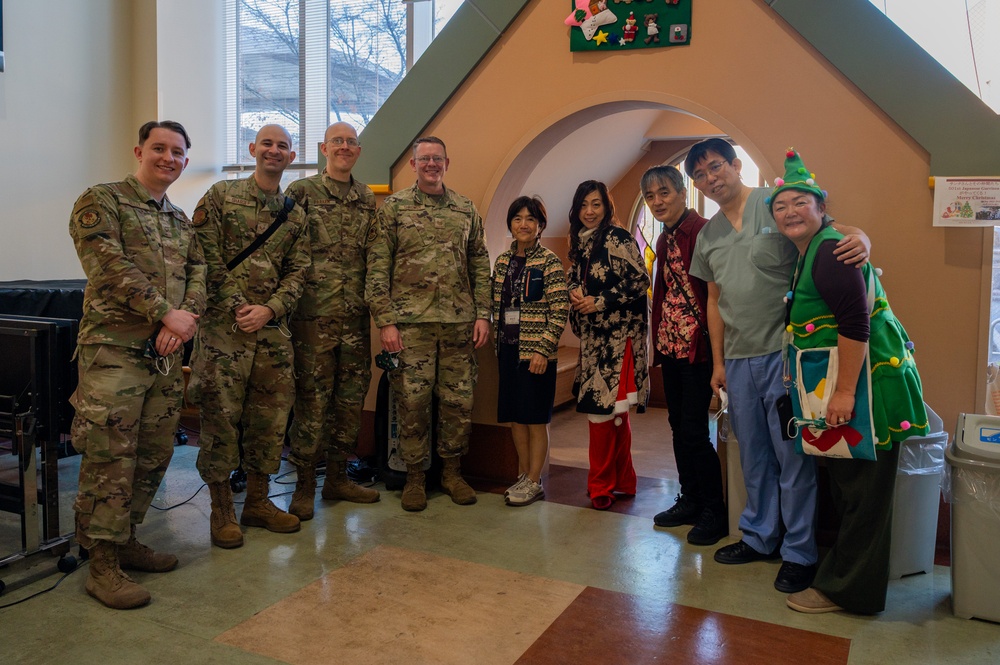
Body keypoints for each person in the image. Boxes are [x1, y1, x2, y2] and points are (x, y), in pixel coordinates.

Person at [686, 138, 869, 595]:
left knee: (794, 458)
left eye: (716, 167)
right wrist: (718, 362)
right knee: (752, 455)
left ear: (735, 165)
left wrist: (862, 238)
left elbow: (826, 229)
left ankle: (800, 552)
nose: (711, 179)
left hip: (788, 357)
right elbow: (714, 301)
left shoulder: (775, 202)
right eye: (700, 175)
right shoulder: (708, 235)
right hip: (739, 361)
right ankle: (759, 537)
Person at [770, 149, 927, 614]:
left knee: (863, 495)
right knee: (852, 488)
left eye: (801, 203)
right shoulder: (815, 249)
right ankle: (845, 579)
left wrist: (842, 393)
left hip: (866, 393)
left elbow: (855, 324)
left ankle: (848, 592)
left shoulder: (831, 251)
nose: (790, 212)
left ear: (822, 208)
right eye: (780, 206)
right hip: (849, 392)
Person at [69, 120, 205, 609]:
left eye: (178, 152)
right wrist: (164, 312)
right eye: (159, 148)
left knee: (154, 451)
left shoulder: (179, 219)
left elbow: (199, 271)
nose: (169, 158)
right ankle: (101, 564)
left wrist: (183, 321)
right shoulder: (102, 200)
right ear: (139, 151)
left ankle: (126, 538)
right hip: (115, 351)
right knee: (110, 455)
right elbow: (107, 266)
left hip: (165, 356)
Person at [190, 124, 310, 548]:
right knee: (220, 418)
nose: (274, 151)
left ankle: (257, 501)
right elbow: (203, 256)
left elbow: (299, 270)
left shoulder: (295, 214)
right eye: (267, 144)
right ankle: (221, 509)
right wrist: (241, 306)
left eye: (282, 146)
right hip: (225, 330)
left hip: (271, 332)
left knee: (270, 418)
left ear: (291, 156)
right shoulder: (221, 196)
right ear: (252, 149)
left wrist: (270, 309)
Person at [366, 136, 491, 512]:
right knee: (412, 402)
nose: (431, 164)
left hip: (458, 324)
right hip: (410, 327)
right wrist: (386, 322)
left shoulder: (465, 209)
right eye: (425, 159)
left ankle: (452, 473)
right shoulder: (394, 208)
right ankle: (415, 477)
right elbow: (377, 266)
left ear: (447, 163)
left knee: (458, 402)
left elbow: (479, 262)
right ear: (414, 165)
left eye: (438, 159)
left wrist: (482, 313)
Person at [285, 122, 380, 521]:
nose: (344, 147)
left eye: (351, 142)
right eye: (337, 141)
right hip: (312, 319)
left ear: (358, 151)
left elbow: (374, 256)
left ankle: (338, 478)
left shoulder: (366, 198)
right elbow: (284, 250)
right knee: (312, 402)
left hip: (354, 319)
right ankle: (304, 484)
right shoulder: (301, 193)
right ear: (324, 148)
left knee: (349, 402)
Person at [642, 165, 727, 545]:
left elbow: (716, 295)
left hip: (698, 349)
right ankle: (690, 498)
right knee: (678, 426)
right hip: (670, 345)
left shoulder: (704, 231)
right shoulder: (664, 239)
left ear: (682, 192)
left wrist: (719, 357)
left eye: (664, 192)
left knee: (694, 430)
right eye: (650, 196)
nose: (657, 202)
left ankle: (714, 509)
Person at [567, 180, 649, 511]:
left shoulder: (617, 238)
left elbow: (640, 280)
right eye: (584, 205)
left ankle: (601, 485)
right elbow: (575, 278)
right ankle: (623, 480)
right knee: (612, 414)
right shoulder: (581, 242)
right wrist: (575, 292)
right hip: (593, 340)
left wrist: (599, 302)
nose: (589, 211)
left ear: (607, 207)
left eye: (596, 204)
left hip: (617, 338)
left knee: (602, 412)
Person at [491, 196, 569, 506]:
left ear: (540, 225)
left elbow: (560, 310)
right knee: (516, 418)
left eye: (530, 219)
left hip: (536, 354)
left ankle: (535, 481)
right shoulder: (502, 262)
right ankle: (524, 475)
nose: (524, 224)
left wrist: (543, 349)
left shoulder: (549, 262)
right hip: (508, 351)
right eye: (518, 218)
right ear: (510, 224)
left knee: (535, 419)